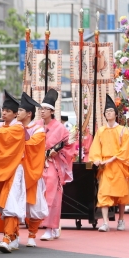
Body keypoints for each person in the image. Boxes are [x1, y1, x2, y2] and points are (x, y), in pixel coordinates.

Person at [89, 95, 129, 232]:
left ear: (116, 114)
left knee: (121, 195)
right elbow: (95, 149)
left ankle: (121, 219)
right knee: (104, 193)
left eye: (111, 111)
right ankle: (105, 222)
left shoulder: (123, 130)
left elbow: (126, 149)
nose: (108, 113)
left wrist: (111, 159)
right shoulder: (101, 131)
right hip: (105, 167)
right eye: (106, 112)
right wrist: (97, 159)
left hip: (118, 165)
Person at [0, 90, 26, 253]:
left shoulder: (17, 128)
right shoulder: (1, 125)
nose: (5, 113)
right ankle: (14, 236)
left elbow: (1, 135)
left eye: (9, 111)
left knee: (10, 202)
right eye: (4, 110)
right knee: (4, 203)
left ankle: (7, 237)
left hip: (14, 168)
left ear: (16, 114)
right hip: (2, 167)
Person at [39, 89, 75, 240]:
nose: (42, 111)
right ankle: (41, 225)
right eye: (40, 109)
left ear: (52, 111)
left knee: (52, 196)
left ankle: (51, 226)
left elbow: (69, 147)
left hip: (53, 164)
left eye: (45, 109)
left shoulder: (60, 128)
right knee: (40, 195)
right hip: (39, 164)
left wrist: (57, 153)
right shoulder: (37, 125)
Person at [18, 93, 47, 248]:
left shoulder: (38, 130)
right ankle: (13, 234)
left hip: (32, 171)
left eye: (20, 110)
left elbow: (32, 145)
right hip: (16, 171)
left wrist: (18, 137)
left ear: (28, 113)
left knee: (34, 206)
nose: (17, 113)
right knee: (14, 205)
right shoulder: (14, 126)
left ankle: (32, 235)